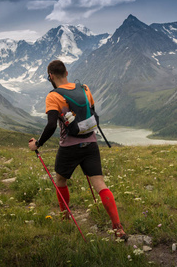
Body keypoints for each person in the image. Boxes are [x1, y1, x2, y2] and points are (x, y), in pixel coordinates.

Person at [28, 59, 127, 240]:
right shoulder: (85, 89)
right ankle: (118, 227)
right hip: (91, 143)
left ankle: (65, 217)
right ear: (66, 72)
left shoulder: (53, 96)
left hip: (69, 147)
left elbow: (51, 125)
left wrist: (38, 143)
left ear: (50, 76)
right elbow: (91, 112)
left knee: (61, 180)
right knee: (100, 184)